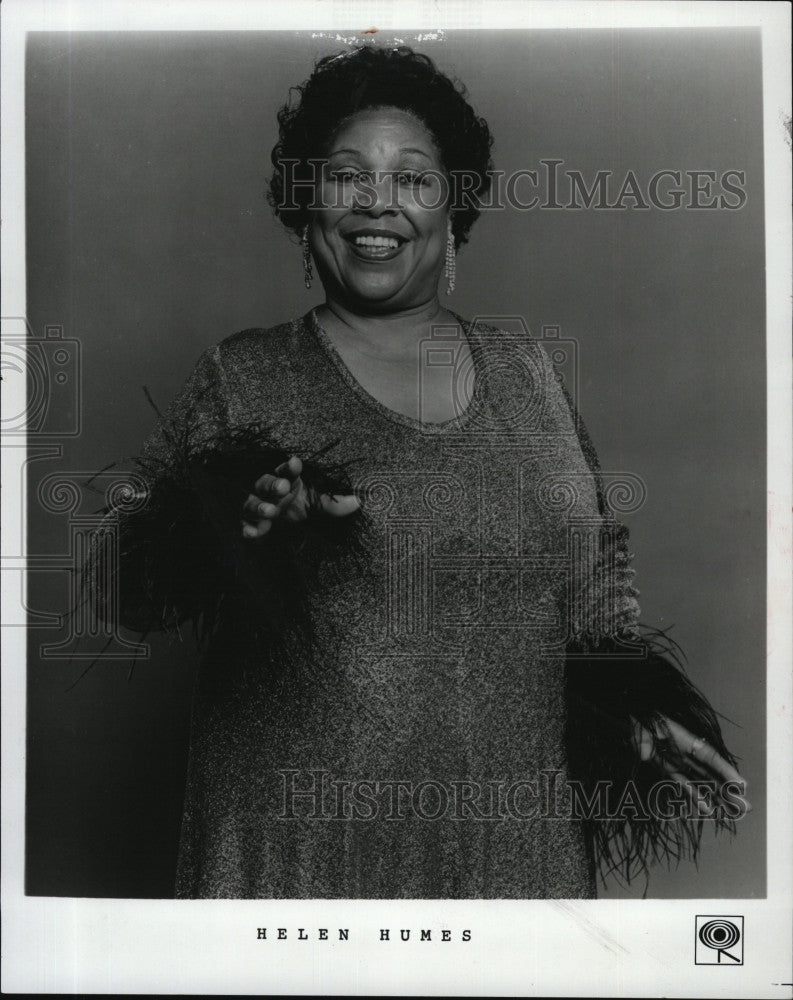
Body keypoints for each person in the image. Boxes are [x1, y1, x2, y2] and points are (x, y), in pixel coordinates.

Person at [100, 45, 748, 899]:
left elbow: (587, 599)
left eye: (411, 177)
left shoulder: (531, 375)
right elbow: (133, 593)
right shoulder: (242, 377)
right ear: (307, 202)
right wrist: (232, 525)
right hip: (301, 863)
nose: (377, 203)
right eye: (345, 176)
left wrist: (632, 709)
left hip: (514, 857)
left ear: (454, 206)